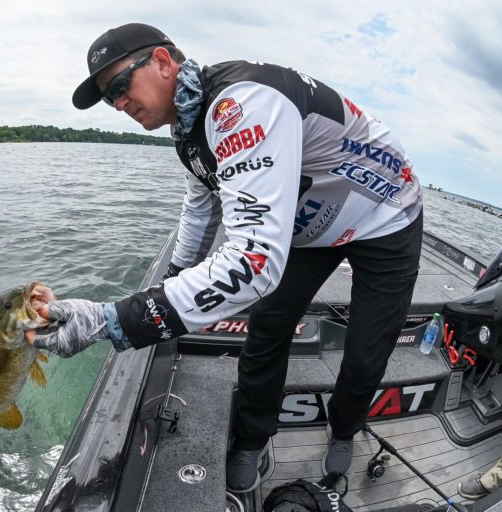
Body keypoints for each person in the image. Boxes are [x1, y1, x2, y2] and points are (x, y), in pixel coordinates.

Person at [32, 22, 423, 493]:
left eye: (119, 86)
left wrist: (110, 320)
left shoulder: (243, 104)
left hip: (386, 216)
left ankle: (343, 428)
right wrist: (169, 283)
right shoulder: (189, 129)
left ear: (162, 61)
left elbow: (254, 262)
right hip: (310, 229)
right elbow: (201, 210)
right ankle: (252, 438)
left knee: (366, 352)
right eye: (108, 98)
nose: (118, 104)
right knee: (267, 329)